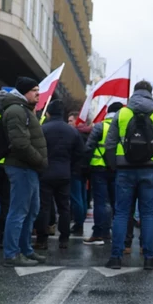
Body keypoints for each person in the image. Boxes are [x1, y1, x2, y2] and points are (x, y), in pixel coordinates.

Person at [103, 80, 153, 270]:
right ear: (150, 94)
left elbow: (109, 144)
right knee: (148, 215)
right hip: (149, 170)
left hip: (124, 171)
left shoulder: (122, 113)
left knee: (121, 213)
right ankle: (149, 258)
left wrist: (115, 165)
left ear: (134, 93)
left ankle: (116, 257)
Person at [0, 77, 48, 267]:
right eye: (34, 90)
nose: (38, 93)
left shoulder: (24, 110)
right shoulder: (16, 111)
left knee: (30, 211)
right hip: (22, 167)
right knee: (19, 211)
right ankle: (11, 254)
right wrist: (40, 160)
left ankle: (25, 249)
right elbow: (20, 143)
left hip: (29, 168)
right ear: (24, 92)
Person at [36, 100, 85, 251]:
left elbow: (36, 150)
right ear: (63, 113)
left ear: (49, 113)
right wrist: (71, 168)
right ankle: (64, 239)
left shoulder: (43, 129)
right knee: (64, 207)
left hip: (45, 173)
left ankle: (42, 239)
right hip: (64, 173)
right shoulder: (72, 131)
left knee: (44, 207)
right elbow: (80, 153)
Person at [84, 102, 122, 245]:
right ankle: (115, 233)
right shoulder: (122, 127)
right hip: (117, 169)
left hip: (98, 168)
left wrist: (85, 166)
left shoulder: (100, 126)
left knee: (101, 202)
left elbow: (89, 148)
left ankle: (99, 232)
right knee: (116, 202)